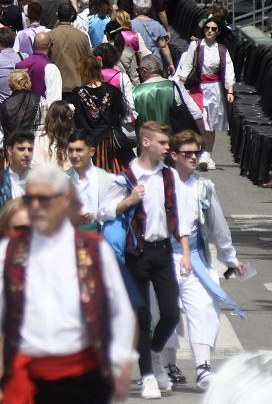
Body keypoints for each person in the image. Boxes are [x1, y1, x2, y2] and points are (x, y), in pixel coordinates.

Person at [0, 165, 136, 404]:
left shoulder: (95, 249)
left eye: (43, 199)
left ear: (64, 200)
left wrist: (120, 365)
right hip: (28, 374)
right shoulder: (9, 251)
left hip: (85, 373)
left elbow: (121, 312)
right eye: (30, 199)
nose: (35, 206)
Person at [100, 121, 189, 398]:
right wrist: (128, 200)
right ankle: (148, 374)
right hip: (136, 252)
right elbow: (104, 211)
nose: (167, 147)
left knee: (171, 313)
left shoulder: (168, 175)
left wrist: (185, 252)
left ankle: (153, 353)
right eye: (163, 143)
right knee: (142, 316)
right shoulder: (126, 177)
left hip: (162, 250)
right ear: (146, 143)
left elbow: (180, 216)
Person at [165, 129, 246, 391]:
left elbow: (218, 225)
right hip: (163, 257)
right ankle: (168, 365)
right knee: (164, 312)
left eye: (196, 152)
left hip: (195, 259)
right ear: (174, 155)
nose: (193, 157)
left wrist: (230, 258)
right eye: (187, 153)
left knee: (202, 308)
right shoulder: (160, 184)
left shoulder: (204, 187)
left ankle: (202, 367)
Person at [174, 13, 235, 172]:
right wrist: (180, 84)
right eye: (207, 28)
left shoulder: (222, 50)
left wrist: (230, 90)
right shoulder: (196, 46)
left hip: (214, 89)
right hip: (197, 88)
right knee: (201, 120)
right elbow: (186, 66)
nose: (209, 31)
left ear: (218, 32)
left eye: (213, 29)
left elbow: (229, 70)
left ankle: (207, 154)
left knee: (212, 123)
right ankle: (201, 152)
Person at [69, 56, 128, 171]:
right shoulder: (113, 91)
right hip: (110, 143)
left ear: (82, 72)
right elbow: (122, 112)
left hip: (86, 144)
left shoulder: (76, 95)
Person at [133, 54, 203, 136]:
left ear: (144, 71)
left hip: (146, 144)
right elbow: (196, 113)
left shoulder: (135, 92)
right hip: (172, 143)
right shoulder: (175, 86)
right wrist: (201, 138)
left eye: (139, 71)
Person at [65, 130, 116, 231]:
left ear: (92, 151)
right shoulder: (60, 180)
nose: (74, 155)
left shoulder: (107, 180)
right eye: (70, 150)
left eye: (79, 150)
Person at [131, 0, 174, 73]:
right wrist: (171, 64)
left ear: (136, 8)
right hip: (155, 61)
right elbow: (163, 46)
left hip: (138, 61)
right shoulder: (156, 25)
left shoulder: (131, 24)